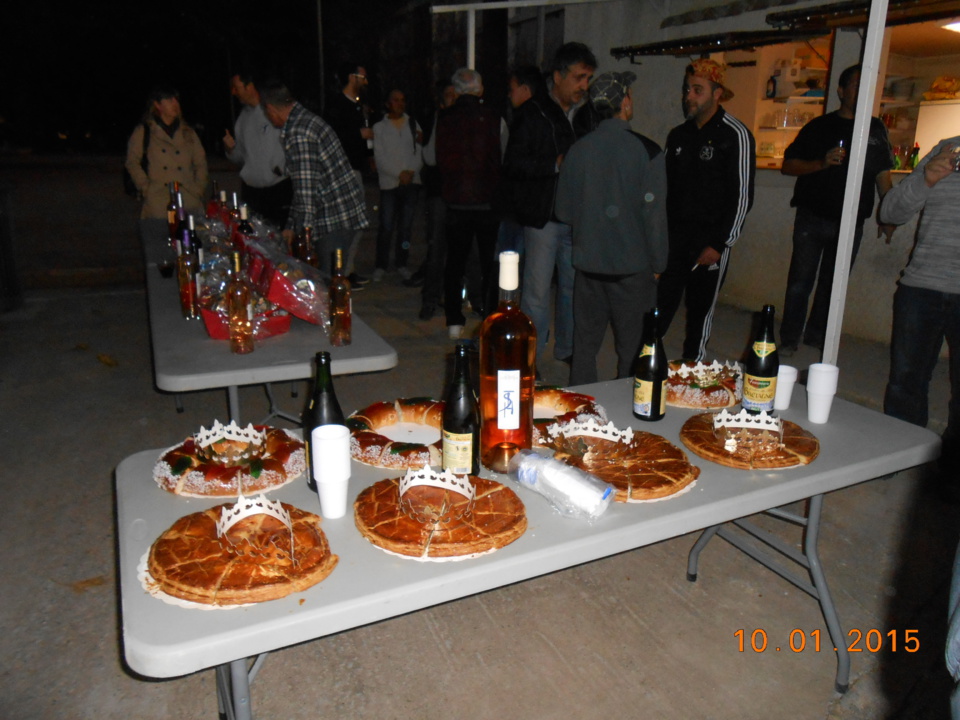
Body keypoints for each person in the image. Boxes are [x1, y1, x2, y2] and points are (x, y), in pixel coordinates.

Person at [556, 71, 667, 385]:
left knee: (585, 347)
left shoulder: (578, 151)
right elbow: (655, 218)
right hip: (632, 272)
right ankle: (626, 418)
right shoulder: (648, 151)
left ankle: (580, 411)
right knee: (632, 351)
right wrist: (659, 263)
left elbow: (563, 211)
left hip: (588, 267)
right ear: (626, 103)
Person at [779, 64, 895, 355]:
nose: (861, 90)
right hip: (812, 217)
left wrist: (890, 211)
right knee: (800, 282)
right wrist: (820, 163)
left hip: (851, 221)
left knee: (832, 286)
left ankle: (816, 337)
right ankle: (789, 338)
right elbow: (788, 165)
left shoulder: (875, 129)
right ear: (841, 91)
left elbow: (883, 174)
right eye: (855, 84)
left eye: (866, 84)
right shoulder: (819, 127)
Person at [503, 42, 597, 367]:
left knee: (573, 289)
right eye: (579, 77)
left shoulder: (587, 114)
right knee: (537, 295)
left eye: (588, 78)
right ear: (558, 76)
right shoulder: (533, 112)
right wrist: (554, 163)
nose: (584, 86)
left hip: (576, 218)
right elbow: (514, 164)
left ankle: (567, 350)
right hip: (543, 218)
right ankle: (531, 358)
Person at [658, 59, 755, 361]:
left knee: (699, 316)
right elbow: (664, 193)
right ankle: (643, 368)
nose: (689, 96)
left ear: (717, 93)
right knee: (658, 310)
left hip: (709, 244)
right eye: (687, 89)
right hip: (674, 240)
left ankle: (691, 371)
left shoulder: (735, 135)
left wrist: (720, 243)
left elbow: (742, 197)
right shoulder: (678, 136)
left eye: (698, 90)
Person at [879, 138, 960, 494]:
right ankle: (899, 454)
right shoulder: (948, 149)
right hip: (921, 287)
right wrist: (925, 179)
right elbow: (890, 212)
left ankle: (952, 473)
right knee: (905, 382)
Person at [260, 79, 369, 274]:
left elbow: (306, 194)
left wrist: (305, 239)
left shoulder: (300, 132)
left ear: (270, 108)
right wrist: (291, 226)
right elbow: (302, 184)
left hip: (335, 219)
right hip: (336, 214)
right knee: (328, 283)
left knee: (328, 286)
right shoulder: (301, 120)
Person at [435, 68, 501, 339]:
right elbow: (502, 156)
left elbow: (435, 156)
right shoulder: (493, 118)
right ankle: (491, 316)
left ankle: (454, 319)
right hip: (487, 201)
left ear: (457, 90)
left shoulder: (445, 118)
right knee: (490, 263)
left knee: (455, 262)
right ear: (480, 90)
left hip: (456, 200)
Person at [324, 62, 374, 286]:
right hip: (341, 173)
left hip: (356, 168)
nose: (365, 82)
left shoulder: (358, 104)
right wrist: (358, 134)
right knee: (346, 225)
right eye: (362, 77)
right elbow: (334, 137)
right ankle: (340, 271)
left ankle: (348, 269)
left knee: (357, 224)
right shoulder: (337, 105)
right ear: (352, 77)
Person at [125, 85, 208, 219]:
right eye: (169, 100)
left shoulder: (188, 133)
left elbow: (201, 163)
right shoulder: (144, 132)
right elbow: (132, 162)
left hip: (189, 200)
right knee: (160, 239)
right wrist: (146, 188)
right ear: (157, 105)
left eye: (176, 100)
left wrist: (199, 188)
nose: (175, 103)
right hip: (159, 202)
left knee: (192, 238)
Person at [222, 71, 292, 228]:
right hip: (252, 193)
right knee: (256, 241)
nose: (233, 92)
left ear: (249, 86)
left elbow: (293, 143)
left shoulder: (273, 110)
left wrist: (283, 169)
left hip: (278, 190)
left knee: (281, 239)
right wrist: (230, 150)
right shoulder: (242, 120)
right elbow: (241, 158)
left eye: (236, 87)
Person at [416, 80, 458, 320]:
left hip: (462, 195)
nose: (454, 99)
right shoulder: (438, 119)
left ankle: (455, 296)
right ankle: (430, 298)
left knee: (461, 250)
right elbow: (430, 157)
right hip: (440, 193)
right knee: (436, 249)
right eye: (449, 95)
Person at [372, 89, 423, 281]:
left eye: (402, 100)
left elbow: (418, 151)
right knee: (386, 226)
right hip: (389, 184)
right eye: (395, 100)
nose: (399, 104)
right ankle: (381, 265)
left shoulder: (412, 124)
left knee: (406, 227)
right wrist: (398, 174)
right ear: (388, 103)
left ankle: (402, 263)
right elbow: (380, 156)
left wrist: (411, 172)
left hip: (410, 183)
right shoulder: (380, 128)